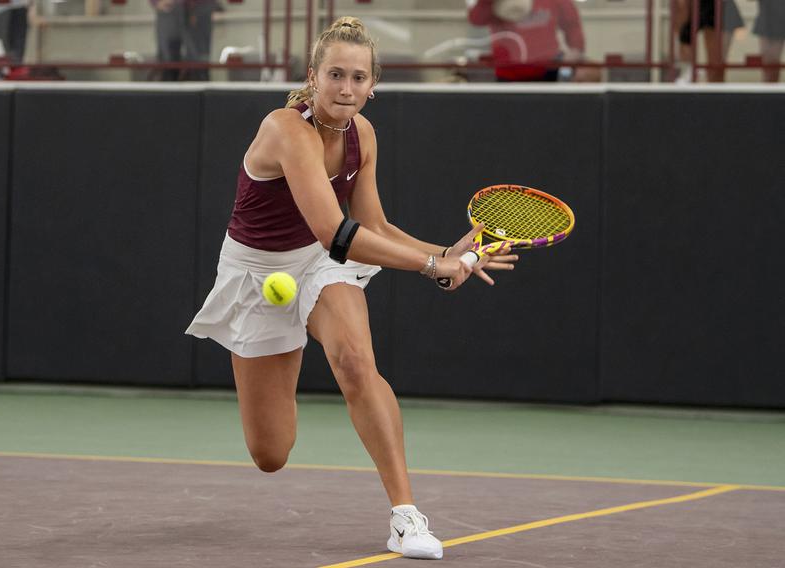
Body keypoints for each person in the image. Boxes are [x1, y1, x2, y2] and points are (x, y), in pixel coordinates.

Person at [186, 16, 517, 561]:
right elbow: (335, 231)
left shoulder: (362, 134)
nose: (346, 88)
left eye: (358, 78)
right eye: (335, 75)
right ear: (313, 77)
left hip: (319, 265)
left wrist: (447, 254)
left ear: (373, 84)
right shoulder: (285, 129)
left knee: (356, 362)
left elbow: (374, 226)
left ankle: (406, 516)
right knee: (271, 453)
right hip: (258, 273)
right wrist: (432, 263)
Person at [467, 0, 593, 82]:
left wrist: (576, 50)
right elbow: (476, 19)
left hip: (547, 70)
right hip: (508, 72)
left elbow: (572, 24)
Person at [674, 0, 744, 83]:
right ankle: (690, 74)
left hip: (720, 12)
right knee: (714, 67)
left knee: (715, 67)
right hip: (710, 12)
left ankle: (713, 89)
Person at [752, 0, 785, 83]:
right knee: (768, 62)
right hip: (766, 18)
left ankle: (771, 89)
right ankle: (768, 88)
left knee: (772, 62)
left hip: (778, 18)